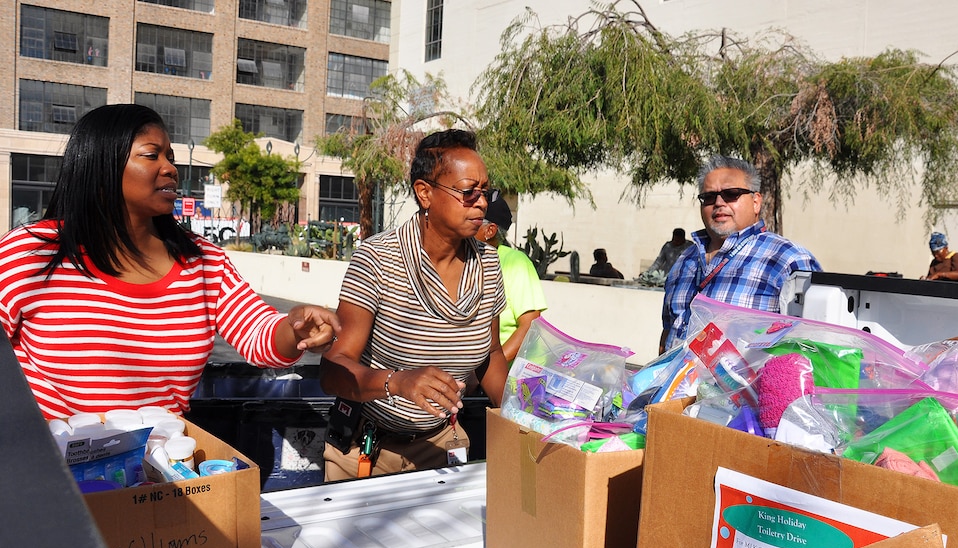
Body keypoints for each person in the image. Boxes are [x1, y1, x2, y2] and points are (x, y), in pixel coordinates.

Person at [0, 104, 340, 421]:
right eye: (152, 155)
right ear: (100, 165)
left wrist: (295, 329)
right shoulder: (31, 252)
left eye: (171, 157)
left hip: (159, 473)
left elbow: (257, 332)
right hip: (51, 472)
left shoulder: (204, 262)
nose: (170, 169)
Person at [320, 128, 508, 480]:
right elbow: (333, 369)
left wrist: (523, 413)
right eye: (469, 192)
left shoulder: (490, 263)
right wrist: (398, 382)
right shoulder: (377, 260)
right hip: (367, 447)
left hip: (442, 444)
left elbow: (491, 355)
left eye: (486, 192)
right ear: (425, 193)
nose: (482, 203)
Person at [660, 155, 822, 354]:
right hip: (675, 384)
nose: (719, 202)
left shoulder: (787, 260)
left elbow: (816, 350)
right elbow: (668, 333)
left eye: (731, 194)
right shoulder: (685, 261)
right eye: (709, 197)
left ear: (756, 202)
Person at [475, 192, 548, 362]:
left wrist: (488, 372)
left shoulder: (516, 263)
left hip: (516, 378)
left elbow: (529, 325)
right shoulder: (464, 261)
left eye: (473, 221)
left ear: (490, 230)